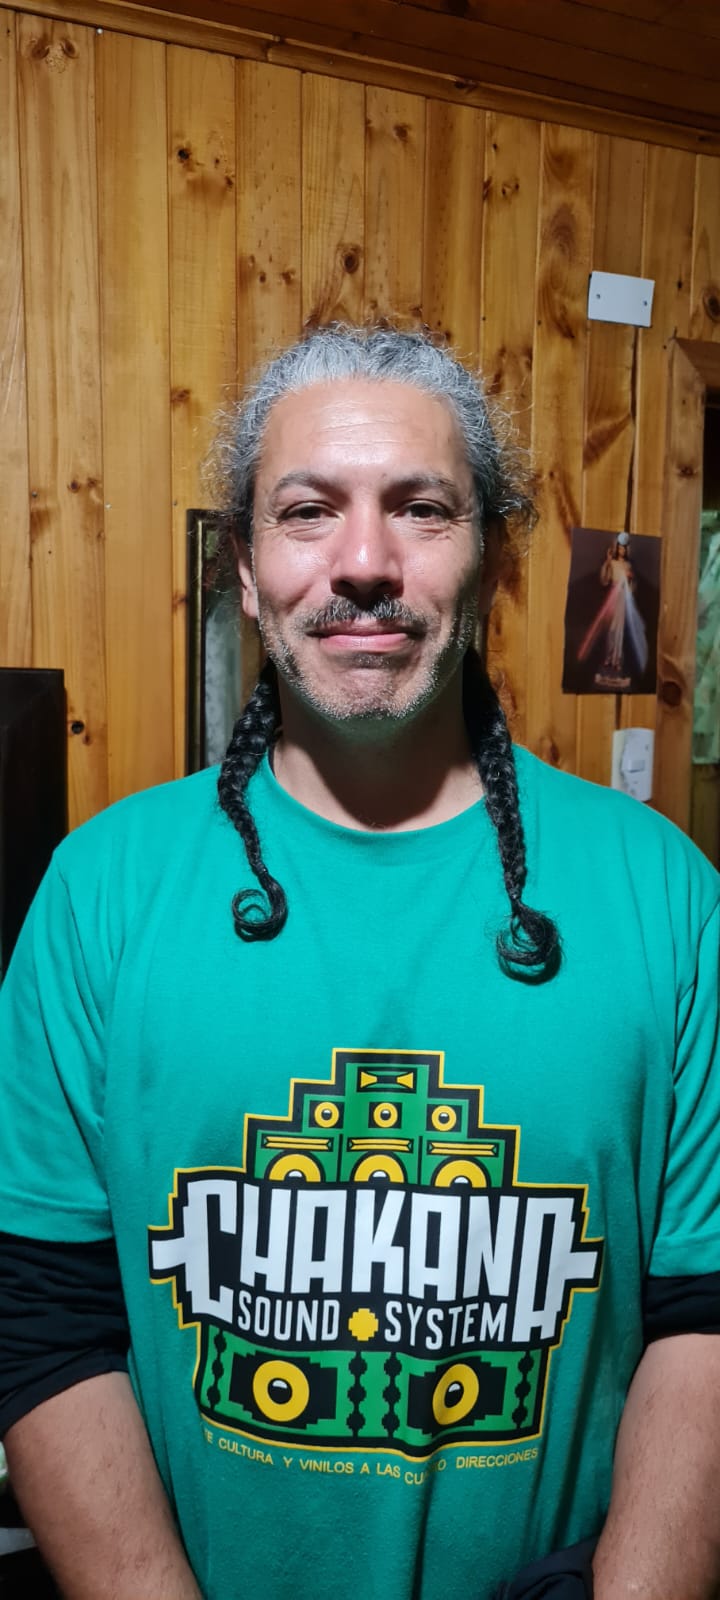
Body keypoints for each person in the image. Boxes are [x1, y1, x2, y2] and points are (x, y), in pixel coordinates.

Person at [0, 325, 718, 1600]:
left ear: (492, 559)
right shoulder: (100, 892)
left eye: (423, 508)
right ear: (246, 566)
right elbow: (40, 1311)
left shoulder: (665, 895)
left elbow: (701, 1312)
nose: (366, 561)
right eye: (308, 510)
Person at [577, 532, 648, 688]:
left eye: (624, 549)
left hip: (623, 599)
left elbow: (631, 589)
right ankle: (608, 659)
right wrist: (608, 562)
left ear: (626, 550)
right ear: (616, 549)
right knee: (611, 628)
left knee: (620, 629)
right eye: (619, 548)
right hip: (612, 598)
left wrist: (630, 580)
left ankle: (616, 661)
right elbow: (604, 579)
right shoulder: (613, 564)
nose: (621, 551)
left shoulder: (627, 566)